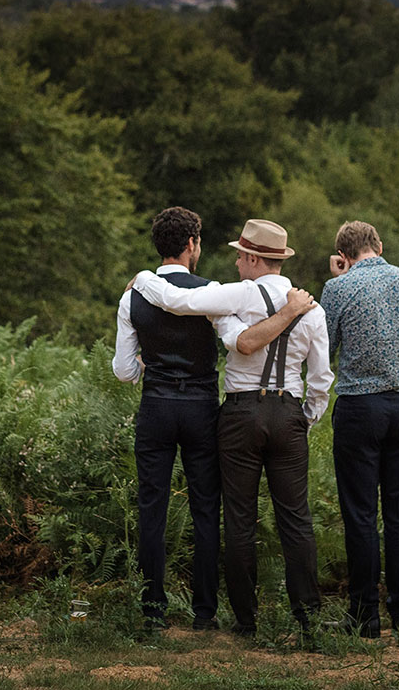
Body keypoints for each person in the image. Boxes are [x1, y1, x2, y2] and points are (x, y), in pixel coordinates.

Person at [129, 218, 330, 638]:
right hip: (289, 413)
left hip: (240, 414)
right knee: (296, 518)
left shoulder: (236, 294)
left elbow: (176, 302)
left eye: (241, 255)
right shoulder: (313, 308)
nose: (236, 263)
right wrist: (304, 418)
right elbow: (322, 378)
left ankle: (245, 620)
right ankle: (308, 619)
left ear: (255, 258)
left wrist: (144, 279)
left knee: (239, 518)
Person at [319, 220, 399, 639]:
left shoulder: (337, 289)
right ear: (380, 246)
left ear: (343, 255)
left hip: (359, 409)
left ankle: (364, 616)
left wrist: (340, 281)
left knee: (360, 516)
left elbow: (327, 346)